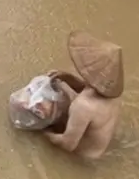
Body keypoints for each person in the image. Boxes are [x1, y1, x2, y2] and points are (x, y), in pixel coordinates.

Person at [43, 30, 124, 160]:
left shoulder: (84, 106)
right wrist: (67, 78)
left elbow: (67, 144)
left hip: (82, 159)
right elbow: (93, 89)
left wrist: (44, 134)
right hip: (99, 150)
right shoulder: (113, 93)